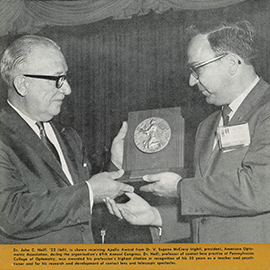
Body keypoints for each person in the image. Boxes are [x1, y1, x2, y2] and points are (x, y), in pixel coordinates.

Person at [106, 20, 270, 243]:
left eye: (197, 68)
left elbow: (259, 189)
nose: (191, 81)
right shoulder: (207, 126)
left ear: (232, 63)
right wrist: (157, 216)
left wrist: (180, 189)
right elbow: (211, 209)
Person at [0, 35, 134, 244]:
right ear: (22, 84)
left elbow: (78, 194)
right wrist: (89, 192)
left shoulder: (67, 135)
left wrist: (114, 164)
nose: (67, 89)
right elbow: (11, 213)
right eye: (57, 80)